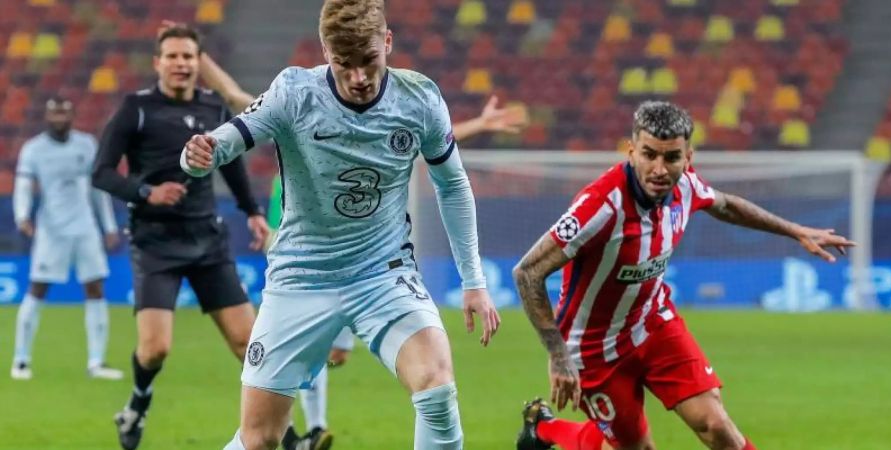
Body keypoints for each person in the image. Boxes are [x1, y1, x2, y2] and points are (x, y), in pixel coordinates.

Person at [184, 21, 525, 449]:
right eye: (346, 65)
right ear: (326, 50)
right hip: (301, 277)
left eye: (369, 62)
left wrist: (473, 281)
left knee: (437, 389)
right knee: (260, 439)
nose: (359, 77)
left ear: (387, 42)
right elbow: (228, 138)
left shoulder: (418, 97)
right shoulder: (295, 91)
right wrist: (199, 154)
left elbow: (452, 185)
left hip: (383, 274)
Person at [513, 101, 854, 450]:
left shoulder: (686, 187)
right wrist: (558, 356)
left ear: (688, 157)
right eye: (649, 155)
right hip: (592, 348)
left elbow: (726, 205)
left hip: (653, 323)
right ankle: (543, 430)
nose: (660, 169)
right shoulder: (600, 206)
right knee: (633, 448)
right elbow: (527, 272)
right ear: (631, 151)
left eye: (672, 158)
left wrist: (795, 230)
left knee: (717, 426)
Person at [92, 25, 270, 450]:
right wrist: (146, 192)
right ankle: (137, 405)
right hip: (155, 243)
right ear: (158, 63)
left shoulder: (213, 107)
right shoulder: (135, 109)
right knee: (155, 350)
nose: (180, 64)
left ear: (198, 63)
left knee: (251, 345)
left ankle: (282, 433)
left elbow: (231, 165)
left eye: (188, 56)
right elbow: (100, 172)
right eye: (172, 57)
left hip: (207, 240)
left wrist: (252, 212)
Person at [10, 96, 122, 381]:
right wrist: (22, 216)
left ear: (72, 115)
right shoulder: (33, 149)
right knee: (37, 288)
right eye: (54, 113)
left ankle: (96, 362)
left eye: (64, 113)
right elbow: (23, 185)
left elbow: (98, 189)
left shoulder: (86, 144)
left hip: (85, 228)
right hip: (52, 230)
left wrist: (108, 226)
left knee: (95, 288)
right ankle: (21, 360)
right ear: (47, 116)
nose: (59, 118)